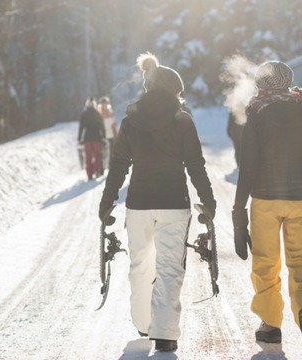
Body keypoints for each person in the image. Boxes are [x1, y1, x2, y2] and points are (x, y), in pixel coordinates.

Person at [98, 52, 216, 352]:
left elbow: (119, 164)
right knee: (169, 267)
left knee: (140, 264)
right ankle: (164, 333)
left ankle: (143, 323)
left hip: (139, 203)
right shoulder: (183, 120)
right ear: (174, 91)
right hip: (175, 203)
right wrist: (208, 200)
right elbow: (195, 164)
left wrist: (107, 200)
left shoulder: (130, 120)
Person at [232, 61, 302, 349]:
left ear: (261, 84)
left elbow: (249, 165)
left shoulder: (257, 110)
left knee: (266, 263)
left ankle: (270, 325)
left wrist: (238, 210)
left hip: (266, 200)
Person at [78, 97, 106, 180]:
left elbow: (81, 127)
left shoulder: (84, 114)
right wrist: (103, 136)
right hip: (97, 138)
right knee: (98, 156)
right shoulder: (98, 113)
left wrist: (80, 138)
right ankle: (97, 170)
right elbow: (102, 126)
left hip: (87, 139)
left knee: (88, 157)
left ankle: (89, 175)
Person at [98, 96, 119, 170]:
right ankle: (102, 166)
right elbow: (98, 124)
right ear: (101, 104)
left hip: (111, 134)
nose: (104, 105)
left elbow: (114, 124)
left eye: (105, 103)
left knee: (111, 150)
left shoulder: (110, 112)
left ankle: (111, 165)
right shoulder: (99, 113)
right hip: (103, 135)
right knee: (103, 151)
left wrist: (116, 134)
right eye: (103, 104)